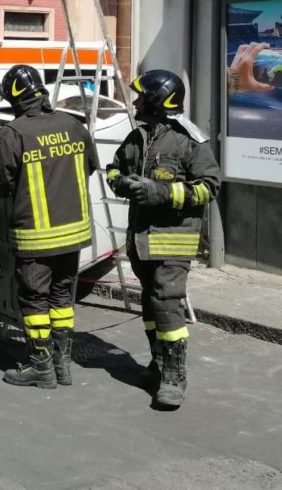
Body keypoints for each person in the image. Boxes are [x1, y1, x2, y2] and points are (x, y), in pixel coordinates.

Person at [106, 70, 221, 408]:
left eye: (143, 96)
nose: (137, 101)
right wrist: (123, 183)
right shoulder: (138, 137)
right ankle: (158, 364)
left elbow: (209, 187)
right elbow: (114, 169)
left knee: (167, 302)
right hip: (141, 240)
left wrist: (159, 191)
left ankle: (174, 377)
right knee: (151, 302)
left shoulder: (189, 141)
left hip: (172, 241)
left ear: (158, 100)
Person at [0, 65, 99, 389]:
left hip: (36, 237)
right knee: (62, 297)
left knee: (35, 301)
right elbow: (90, 166)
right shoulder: (75, 125)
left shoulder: (14, 133)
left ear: (15, 98)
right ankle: (63, 365)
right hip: (74, 234)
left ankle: (41, 367)